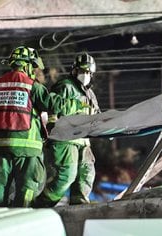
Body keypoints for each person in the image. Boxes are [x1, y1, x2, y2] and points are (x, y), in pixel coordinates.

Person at [0, 46, 86, 207]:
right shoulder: (32, 86)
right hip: (27, 151)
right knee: (26, 191)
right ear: (26, 65)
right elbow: (54, 104)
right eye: (33, 67)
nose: (34, 71)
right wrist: (78, 103)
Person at [34, 53, 100, 207]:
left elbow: (97, 115)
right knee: (65, 176)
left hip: (84, 142)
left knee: (86, 175)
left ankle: (79, 208)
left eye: (88, 72)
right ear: (75, 70)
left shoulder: (90, 94)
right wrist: (52, 133)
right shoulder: (65, 86)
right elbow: (52, 111)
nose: (85, 75)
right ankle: (41, 206)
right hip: (65, 140)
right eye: (82, 71)